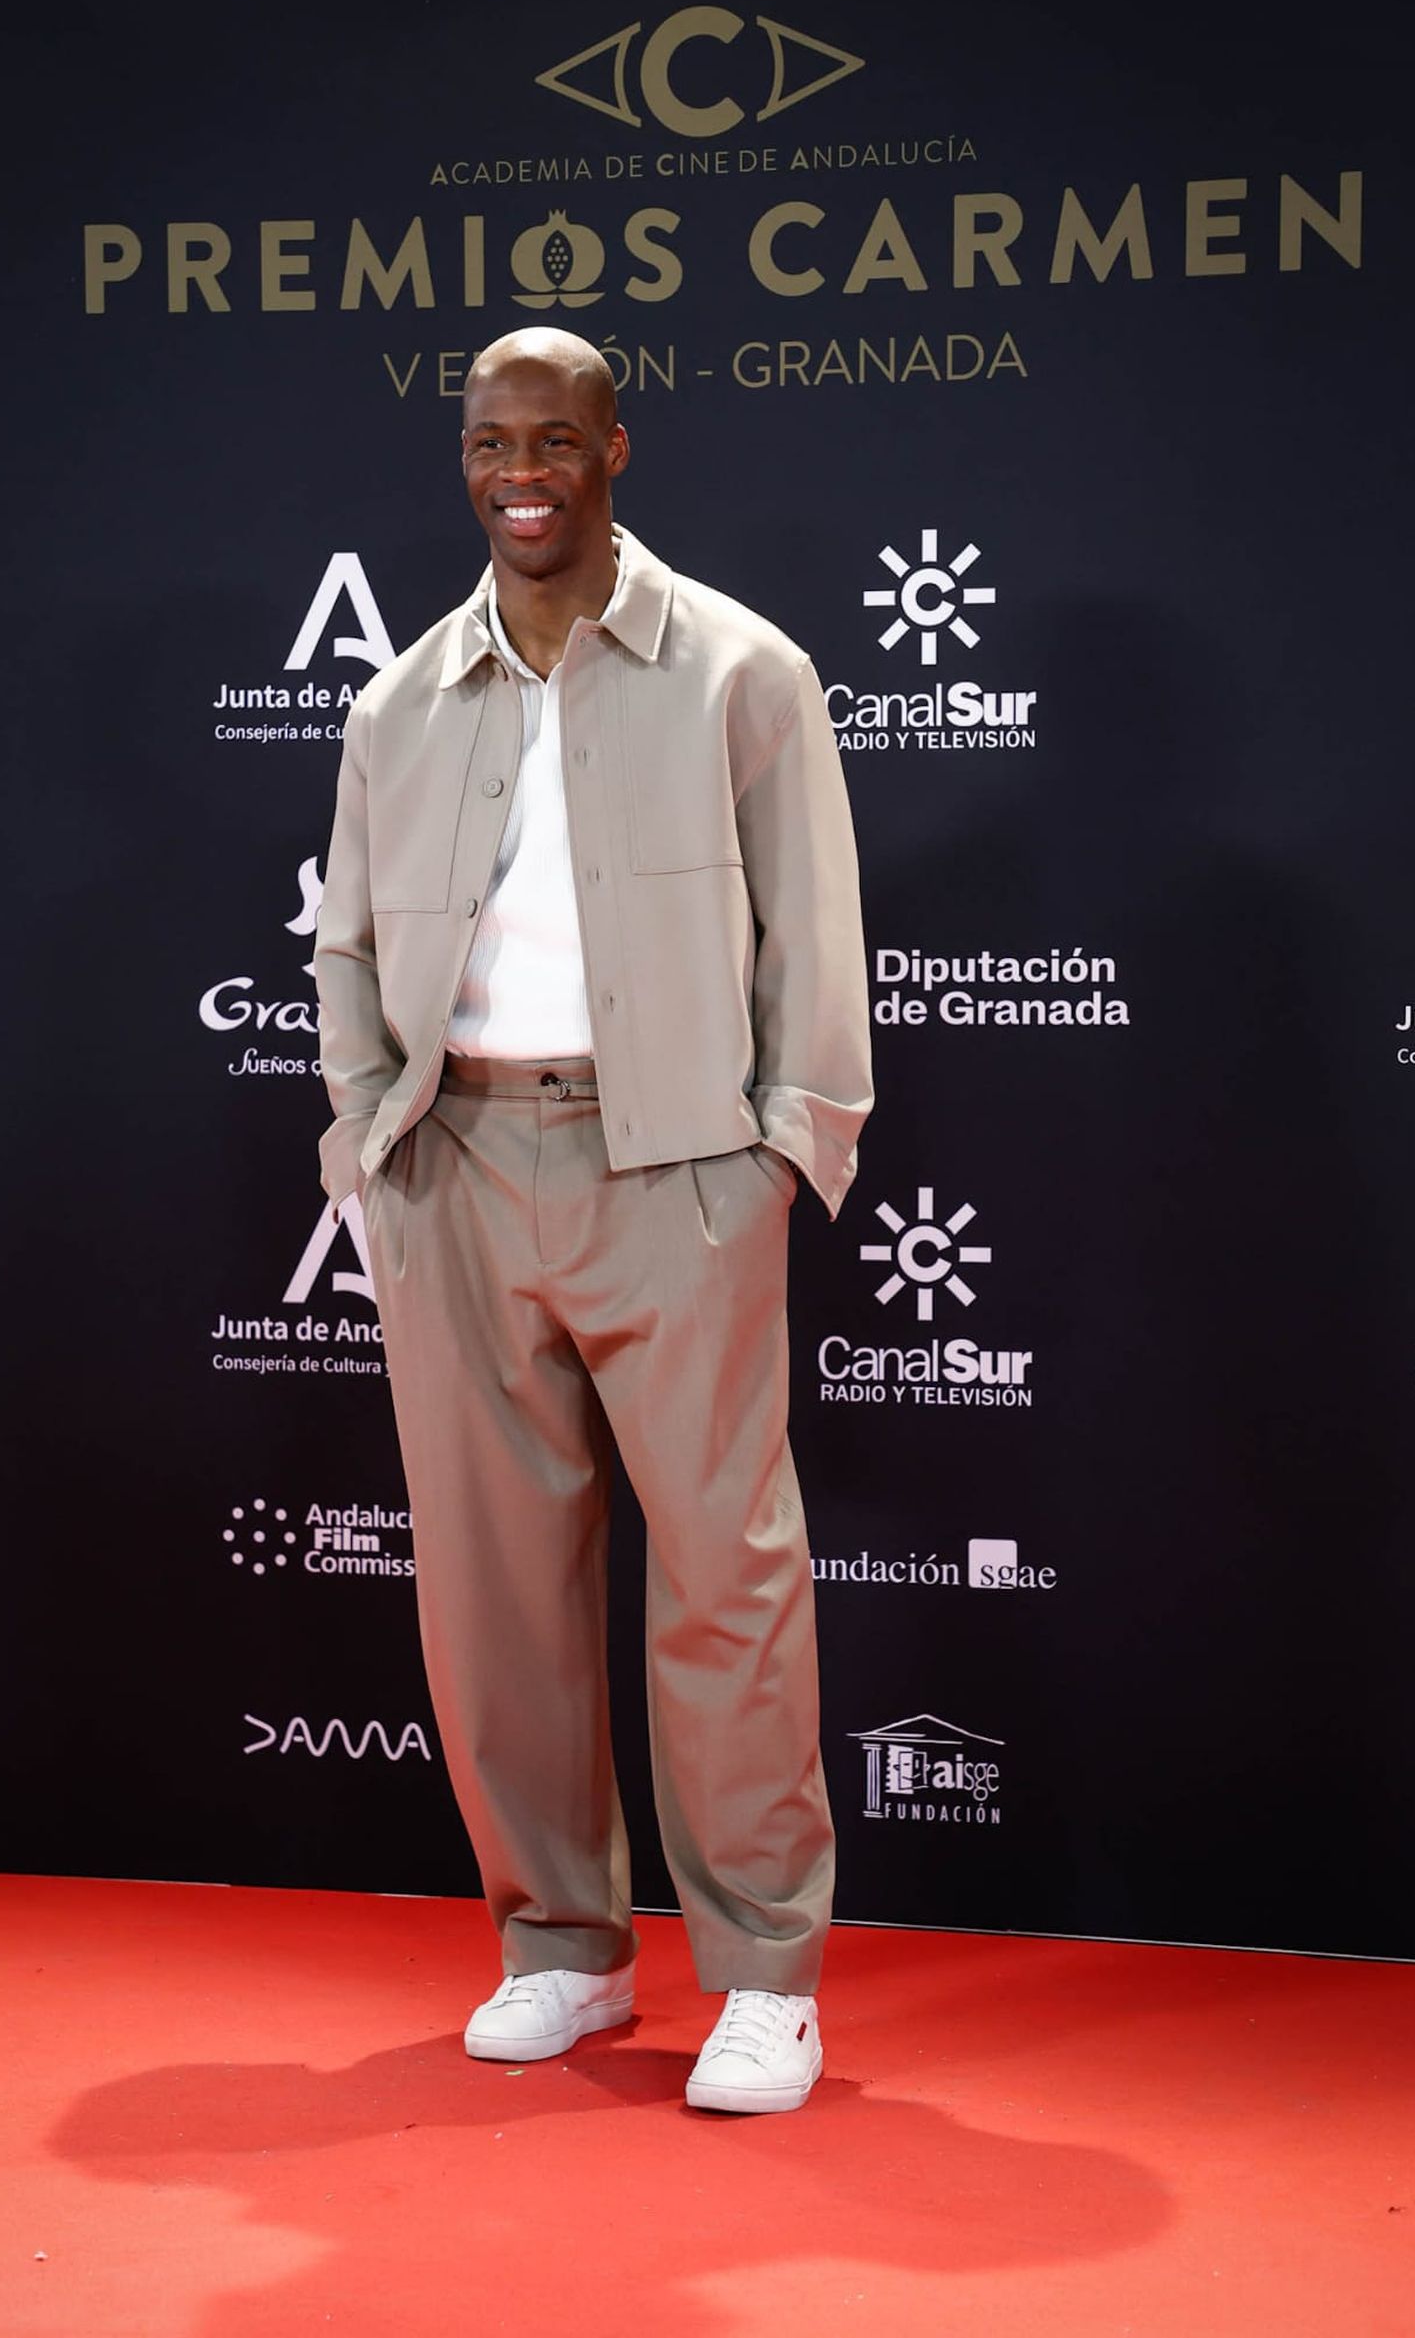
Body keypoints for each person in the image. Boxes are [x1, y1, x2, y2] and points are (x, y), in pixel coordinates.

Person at [315, 328, 872, 2114]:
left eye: (554, 439)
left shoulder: (743, 670)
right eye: (492, 444)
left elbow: (816, 935)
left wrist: (780, 1150)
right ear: (466, 462)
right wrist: (369, 1135)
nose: (521, 474)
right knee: (496, 1593)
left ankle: (765, 1973)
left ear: (615, 447)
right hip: (457, 1163)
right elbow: (346, 947)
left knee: (727, 1576)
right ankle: (562, 1941)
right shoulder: (400, 703)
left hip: (678, 1171)